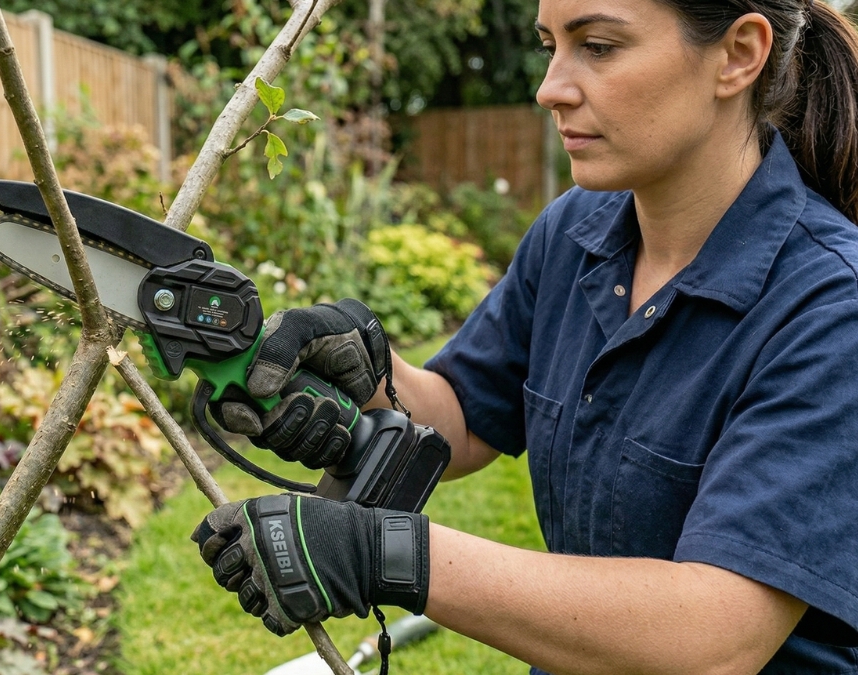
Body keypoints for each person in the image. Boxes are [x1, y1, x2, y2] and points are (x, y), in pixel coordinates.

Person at [189, 0, 858, 672]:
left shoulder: (832, 306)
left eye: (597, 46)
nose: (550, 88)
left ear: (739, 54)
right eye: (550, 46)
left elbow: (715, 638)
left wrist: (384, 552)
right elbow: (465, 415)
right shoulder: (576, 232)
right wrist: (368, 377)